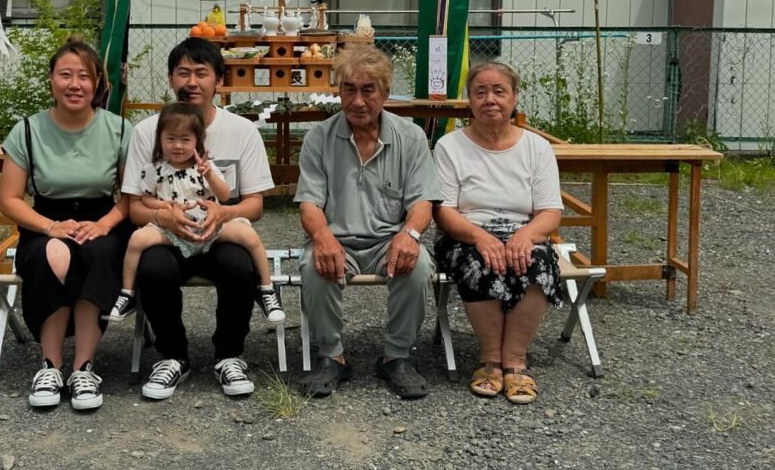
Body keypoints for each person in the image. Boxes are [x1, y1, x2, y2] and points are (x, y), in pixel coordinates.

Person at [122, 38, 274, 400]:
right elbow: (133, 207)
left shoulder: (242, 131)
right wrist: (164, 217)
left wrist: (225, 213)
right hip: (169, 235)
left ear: (218, 80)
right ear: (171, 79)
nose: (191, 82)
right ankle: (172, 356)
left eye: (201, 73)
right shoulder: (148, 132)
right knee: (154, 268)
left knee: (238, 265)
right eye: (183, 73)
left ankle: (229, 355)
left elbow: (254, 205)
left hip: (218, 235)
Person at [294, 45, 442, 400]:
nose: (358, 101)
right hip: (336, 237)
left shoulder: (410, 137)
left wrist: (410, 234)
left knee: (418, 265)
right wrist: (323, 238)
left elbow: (423, 202)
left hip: (388, 238)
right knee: (314, 266)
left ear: (386, 93)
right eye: (349, 89)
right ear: (338, 91)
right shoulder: (319, 138)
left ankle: (397, 356)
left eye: (368, 90)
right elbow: (309, 204)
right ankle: (332, 356)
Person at [0, 37, 133, 412]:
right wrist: (50, 227)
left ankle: (84, 367)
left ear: (98, 85)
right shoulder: (26, 130)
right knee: (50, 257)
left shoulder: (119, 130)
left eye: (84, 77)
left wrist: (106, 224)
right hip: (45, 221)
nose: (75, 85)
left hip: (102, 221)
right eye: (66, 76)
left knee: (100, 253)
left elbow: (133, 195)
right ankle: (50, 365)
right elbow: (9, 199)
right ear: (51, 81)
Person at [432, 61, 563, 405]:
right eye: (480, 92)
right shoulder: (450, 146)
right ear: (470, 100)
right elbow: (443, 210)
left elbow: (551, 211)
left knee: (537, 261)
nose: (490, 99)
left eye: (499, 91)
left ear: (515, 97)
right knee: (480, 259)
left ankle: (516, 361)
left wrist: (526, 235)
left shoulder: (537, 148)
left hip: (524, 230)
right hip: (466, 233)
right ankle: (490, 359)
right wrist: (480, 236)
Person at [107, 101, 284, 325]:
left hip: (208, 225)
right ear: (160, 140)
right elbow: (145, 198)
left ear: (197, 142)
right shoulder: (154, 170)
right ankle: (127, 293)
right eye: (170, 139)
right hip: (172, 228)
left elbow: (224, 193)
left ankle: (266, 290)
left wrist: (209, 174)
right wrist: (163, 208)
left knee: (248, 236)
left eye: (185, 140)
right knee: (137, 239)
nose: (178, 146)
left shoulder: (204, 167)